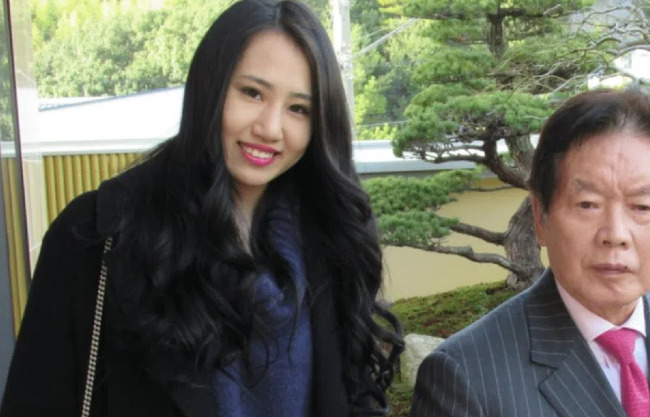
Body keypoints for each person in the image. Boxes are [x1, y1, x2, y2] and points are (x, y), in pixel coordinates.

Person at [0, 1, 403, 416]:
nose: (270, 128)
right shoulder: (100, 233)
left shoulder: (331, 232)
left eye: (298, 109)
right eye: (252, 93)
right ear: (209, 87)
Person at [409, 89, 650, 417]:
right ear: (541, 216)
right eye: (587, 204)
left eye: (642, 206)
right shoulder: (465, 376)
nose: (615, 234)